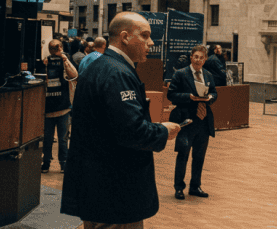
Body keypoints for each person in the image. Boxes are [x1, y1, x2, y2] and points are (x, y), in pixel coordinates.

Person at [61, 12, 182, 228]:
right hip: (115, 191)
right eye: (145, 36)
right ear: (125, 37)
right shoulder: (117, 73)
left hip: (99, 186)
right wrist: (163, 131)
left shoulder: (101, 67)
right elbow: (132, 131)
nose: (151, 43)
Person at [167, 45, 217, 200]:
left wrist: (211, 98)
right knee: (183, 154)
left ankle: (195, 186)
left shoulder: (208, 75)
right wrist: (189, 97)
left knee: (199, 156)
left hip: (203, 121)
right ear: (191, 58)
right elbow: (171, 95)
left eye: (201, 57)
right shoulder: (181, 74)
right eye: (195, 57)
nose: (198, 60)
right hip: (187, 120)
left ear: (205, 59)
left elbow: (214, 92)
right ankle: (179, 188)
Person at [42, 39, 77, 173]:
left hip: (63, 107)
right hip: (48, 109)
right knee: (47, 138)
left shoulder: (65, 61)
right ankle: (46, 162)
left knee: (63, 139)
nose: (54, 50)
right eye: (52, 48)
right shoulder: (45, 62)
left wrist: (64, 59)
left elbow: (74, 75)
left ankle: (63, 163)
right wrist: (45, 66)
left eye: (57, 48)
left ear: (62, 48)